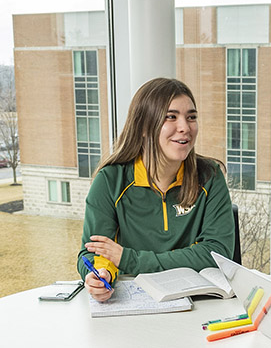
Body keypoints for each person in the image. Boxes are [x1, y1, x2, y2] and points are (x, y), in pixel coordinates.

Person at [77, 78, 235, 302]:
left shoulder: (210, 176)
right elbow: (95, 252)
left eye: (191, 117)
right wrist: (101, 274)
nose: (185, 127)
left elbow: (216, 253)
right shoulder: (110, 181)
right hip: (134, 305)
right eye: (171, 117)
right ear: (143, 126)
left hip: (199, 305)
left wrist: (129, 259)